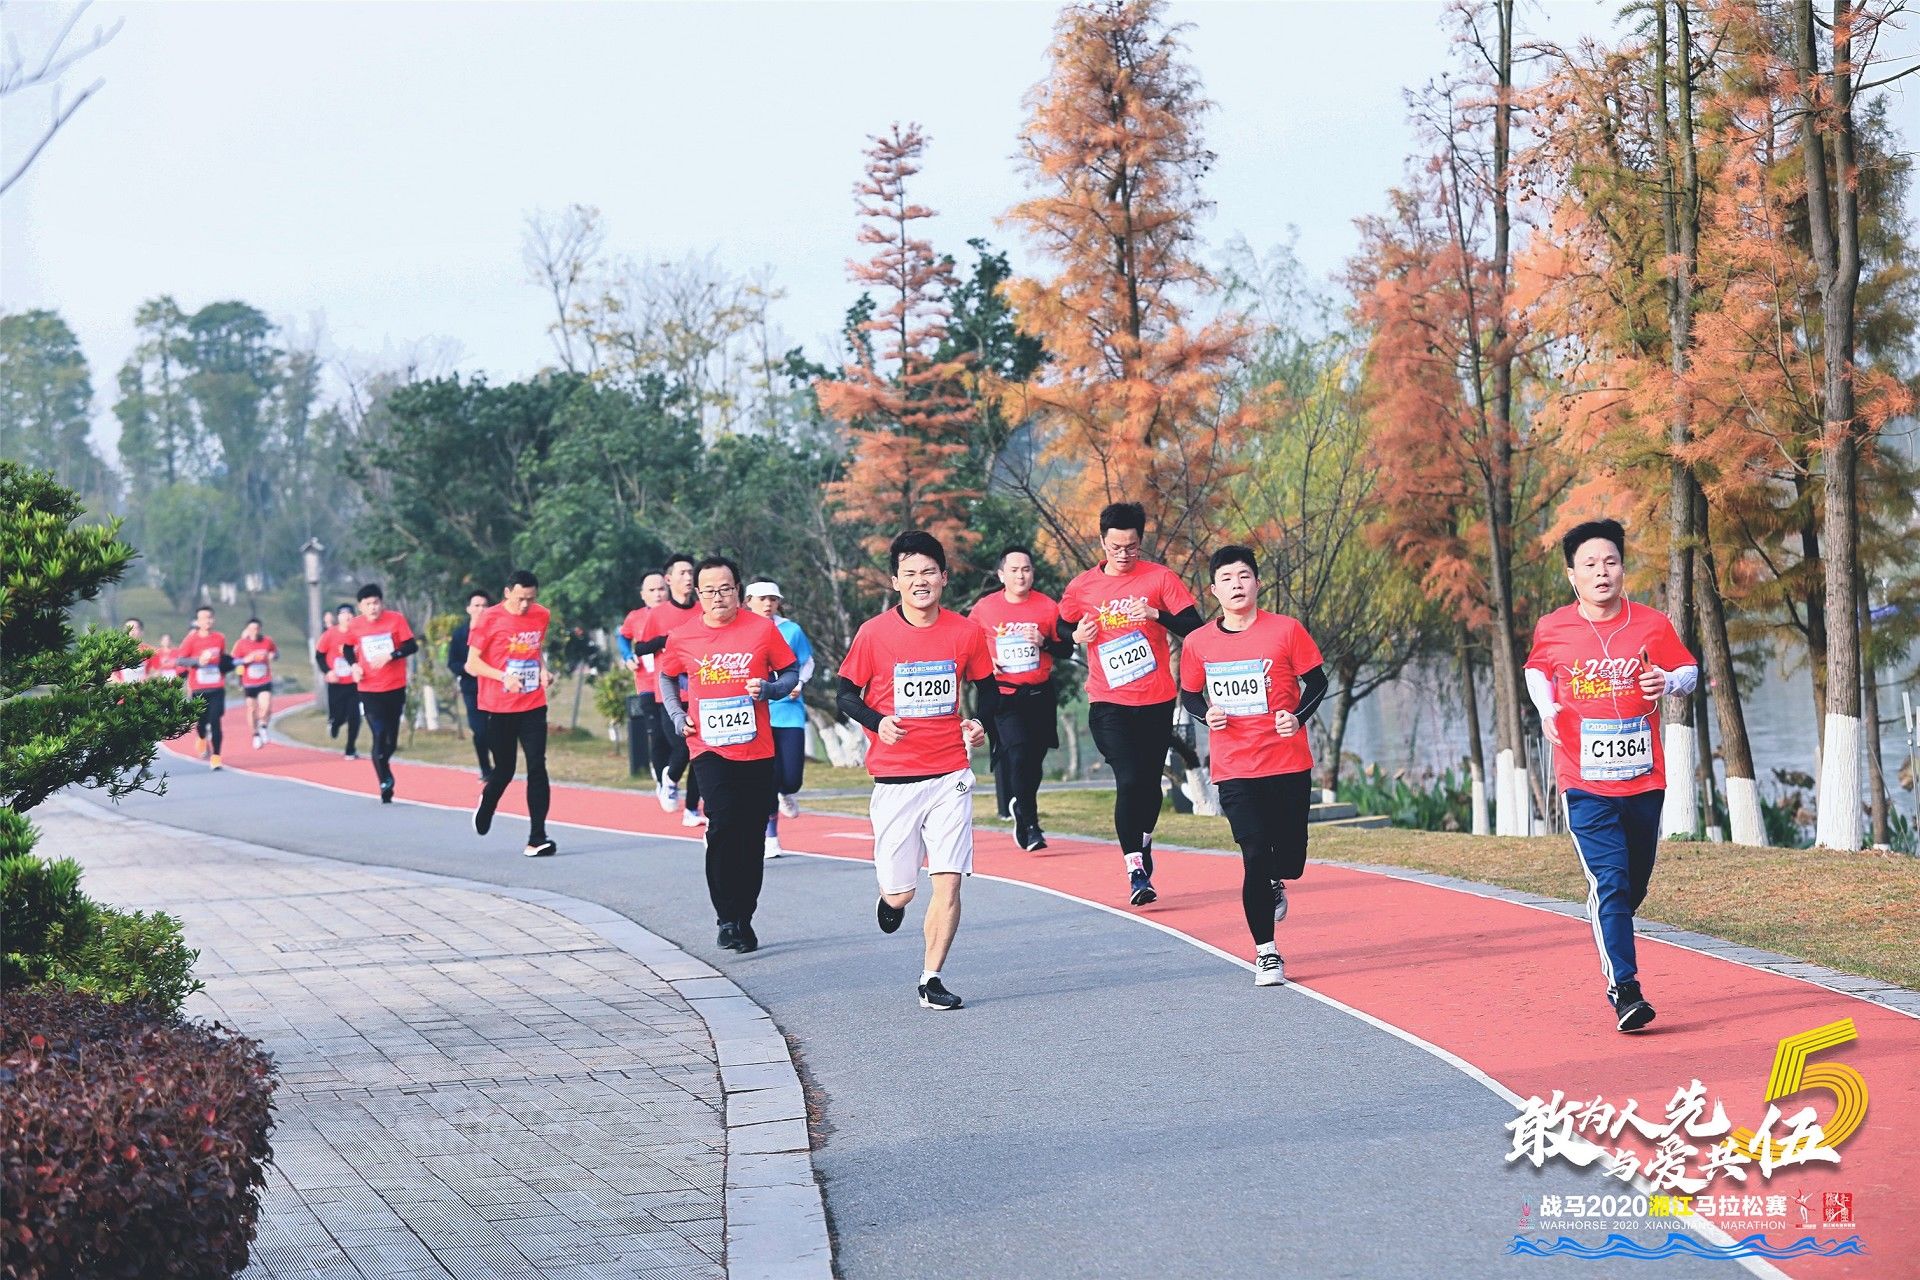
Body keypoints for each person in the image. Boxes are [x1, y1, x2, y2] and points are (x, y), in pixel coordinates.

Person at [1525, 518, 1697, 1033]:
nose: (1602, 573)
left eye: (1611, 562)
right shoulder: (1552, 627)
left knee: (1633, 883)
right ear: (1571, 575)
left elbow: (1689, 673)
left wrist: (1665, 679)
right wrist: (1547, 708)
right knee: (1612, 880)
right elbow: (1536, 669)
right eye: (1590, 565)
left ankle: (1609, 913)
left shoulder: (1652, 624)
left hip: (1644, 779)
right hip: (1583, 781)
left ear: (1623, 568)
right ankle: (1626, 989)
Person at [837, 531, 994, 1011]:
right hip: (895, 780)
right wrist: (877, 722)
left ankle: (931, 978)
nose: (920, 581)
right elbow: (845, 694)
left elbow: (988, 688)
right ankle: (889, 899)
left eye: (929, 572)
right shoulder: (874, 633)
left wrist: (978, 722)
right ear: (895, 582)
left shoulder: (966, 632)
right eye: (910, 574)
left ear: (944, 578)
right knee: (902, 892)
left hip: (950, 774)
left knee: (948, 879)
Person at [1177, 546, 1328, 987]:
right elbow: (1189, 695)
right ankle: (1266, 953)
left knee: (1291, 859)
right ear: (1214, 590)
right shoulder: (1198, 642)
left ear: (1258, 584)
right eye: (1227, 579)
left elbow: (1317, 682)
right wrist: (1208, 715)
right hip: (1234, 767)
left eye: (1244, 576)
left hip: (1287, 762)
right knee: (1254, 855)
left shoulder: (1286, 630)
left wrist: (1296, 716)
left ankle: (1279, 881)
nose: (1236, 585)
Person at [1058, 501, 1204, 907]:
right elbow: (1060, 623)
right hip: (1108, 700)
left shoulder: (1160, 578)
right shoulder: (1082, 586)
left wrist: (1156, 613)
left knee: (1148, 781)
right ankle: (1135, 868)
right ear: (1102, 542)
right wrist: (1076, 635)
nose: (1123, 555)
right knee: (1128, 779)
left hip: (1156, 698)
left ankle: (1144, 838)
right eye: (1116, 547)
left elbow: (1194, 627)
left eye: (1132, 547)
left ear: (1142, 541)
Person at [659, 558, 800, 951]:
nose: (718, 597)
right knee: (722, 825)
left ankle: (744, 916)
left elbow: (789, 672)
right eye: (709, 591)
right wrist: (676, 713)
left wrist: (770, 689)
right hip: (708, 747)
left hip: (757, 749)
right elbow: (667, 675)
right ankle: (725, 918)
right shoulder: (684, 636)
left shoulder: (762, 628)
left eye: (725, 589)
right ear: (697, 594)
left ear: (739, 590)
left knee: (752, 835)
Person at [968, 546, 1074, 851]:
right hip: (1004, 696)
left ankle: (1022, 807)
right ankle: (1031, 824)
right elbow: (967, 646)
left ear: (1033, 573)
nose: (1020, 575)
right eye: (1013, 570)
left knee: (1034, 761)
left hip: (1039, 694)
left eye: (1026, 569)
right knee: (1017, 753)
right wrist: (987, 660)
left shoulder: (1047, 607)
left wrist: (1044, 642)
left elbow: (1066, 648)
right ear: (1002, 575)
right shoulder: (984, 609)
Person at [468, 571, 559, 857]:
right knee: (504, 769)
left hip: (533, 702)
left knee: (537, 766)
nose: (525, 605)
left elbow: (535, 649)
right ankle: (489, 800)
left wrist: (543, 670)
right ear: (508, 593)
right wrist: (502, 676)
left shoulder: (541, 615)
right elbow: (472, 664)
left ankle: (537, 837)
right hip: (499, 706)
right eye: (520, 599)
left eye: (530, 599)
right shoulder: (489, 619)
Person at [633, 554, 706, 826]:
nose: (688, 578)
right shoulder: (659, 614)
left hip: (701, 690)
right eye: (683, 573)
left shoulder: (703, 609)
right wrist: (668, 640)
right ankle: (671, 777)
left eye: (691, 573)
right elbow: (640, 648)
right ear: (669, 579)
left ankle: (691, 810)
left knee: (700, 750)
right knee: (682, 746)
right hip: (670, 693)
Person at [744, 580, 815, 858]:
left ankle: (788, 792)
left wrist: (800, 683)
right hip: (759, 714)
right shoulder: (742, 631)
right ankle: (770, 837)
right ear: (748, 600)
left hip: (789, 710)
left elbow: (806, 662)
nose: (768, 604)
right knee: (769, 778)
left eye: (773, 599)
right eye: (762, 599)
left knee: (792, 777)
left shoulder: (791, 630)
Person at [343, 583, 418, 804]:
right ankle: (384, 780)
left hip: (394, 687)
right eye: (368, 604)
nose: (373, 608)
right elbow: (348, 648)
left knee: (391, 741)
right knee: (378, 733)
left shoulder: (395, 620)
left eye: (376, 603)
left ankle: (383, 764)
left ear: (381, 603)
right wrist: (354, 666)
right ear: (360, 607)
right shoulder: (355, 626)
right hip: (369, 689)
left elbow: (412, 646)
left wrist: (392, 655)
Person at [616, 572, 672, 787]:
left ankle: (670, 774)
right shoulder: (635, 616)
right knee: (657, 733)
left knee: (674, 735)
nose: (657, 594)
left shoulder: (675, 614)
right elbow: (623, 636)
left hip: (674, 683)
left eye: (661, 589)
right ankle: (662, 780)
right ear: (643, 595)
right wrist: (627, 656)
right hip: (647, 683)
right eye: (652, 590)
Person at [174, 605, 233, 770]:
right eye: (203, 618)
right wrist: (198, 662)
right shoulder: (191, 639)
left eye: (209, 618)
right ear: (197, 621)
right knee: (201, 722)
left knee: (215, 721)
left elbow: (222, 657)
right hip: (199, 689)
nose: (206, 621)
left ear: (213, 620)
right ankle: (201, 737)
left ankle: (216, 757)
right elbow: (180, 661)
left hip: (216, 687)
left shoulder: (219, 638)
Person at [446, 590, 495, 782]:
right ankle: (485, 768)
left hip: (495, 686)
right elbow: (453, 663)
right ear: (468, 609)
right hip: (472, 688)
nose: (480, 609)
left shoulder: (497, 631)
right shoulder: (460, 634)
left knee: (497, 730)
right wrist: (466, 669)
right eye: (476, 605)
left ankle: (502, 766)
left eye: (484, 605)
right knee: (480, 730)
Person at [314, 605, 362, 759]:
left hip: (355, 683)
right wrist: (327, 672)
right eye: (343, 614)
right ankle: (334, 723)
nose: (347, 616)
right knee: (339, 715)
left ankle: (350, 748)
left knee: (355, 716)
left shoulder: (360, 633)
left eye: (350, 613)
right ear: (338, 617)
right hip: (336, 683)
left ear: (354, 616)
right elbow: (319, 656)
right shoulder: (329, 634)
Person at [231, 618, 280, 749]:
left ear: (260, 629)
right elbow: (233, 661)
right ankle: (256, 734)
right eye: (252, 628)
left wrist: (272, 656)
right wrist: (246, 660)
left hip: (265, 679)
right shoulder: (241, 644)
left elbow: (276, 653)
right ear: (247, 629)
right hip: (249, 682)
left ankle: (263, 726)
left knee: (267, 706)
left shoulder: (267, 641)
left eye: (257, 628)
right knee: (252, 709)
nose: (255, 631)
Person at [110, 618, 165, 683]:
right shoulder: (116, 650)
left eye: (135, 628)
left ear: (142, 632)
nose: (131, 631)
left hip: (142, 689)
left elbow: (158, 672)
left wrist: (148, 678)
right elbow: (110, 674)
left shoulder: (150, 651)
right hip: (122, 690)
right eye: (128, 628)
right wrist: (120, 684)